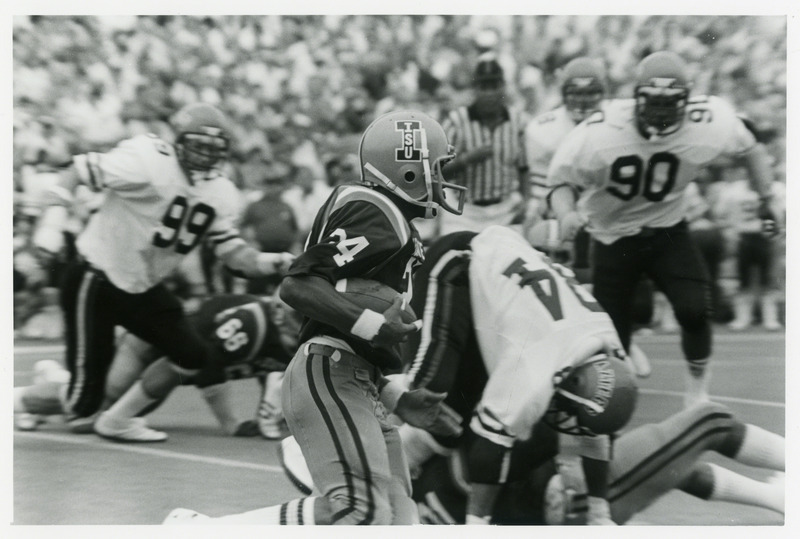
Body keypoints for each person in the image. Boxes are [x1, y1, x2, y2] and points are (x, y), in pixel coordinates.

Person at [164, 110, 468, 526]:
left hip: (357, 379)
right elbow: (298, 285)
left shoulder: (388, 219)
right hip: (331, 373)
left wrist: (400, 399)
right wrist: (374, 326)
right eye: (435, 166)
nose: (441, 176)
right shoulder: (378, 212)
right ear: (408, 168)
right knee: (361, 512)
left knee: (398, 520)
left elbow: (344, 312)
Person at [278, 225, 639, 525]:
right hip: (459, 266)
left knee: (458, 414)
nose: (571, 423)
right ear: (570, 380)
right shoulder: (540, 366)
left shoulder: (605, 349)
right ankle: (334, 433)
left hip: (498, 297)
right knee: (431, 390)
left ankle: (397, 462)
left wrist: (599, 514)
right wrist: (476, 525)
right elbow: (490, 450)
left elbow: (595, 429)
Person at [32, 102, 295, 441]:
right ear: (179, 141)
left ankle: (117, 421)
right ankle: (27, 397)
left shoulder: (220, 191)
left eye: (214, 149)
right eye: (199, 145)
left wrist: (270, 262)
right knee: (81, 404)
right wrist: (51, 226)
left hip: (143, 287)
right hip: (96, 278)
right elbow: (76, 171)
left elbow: (232, 252)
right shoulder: (148, 160)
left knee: (193, 354)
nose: (205, 156)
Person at [547, 51, 777, 408]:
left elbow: (751, 147)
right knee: (612, 340)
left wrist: (766, 198)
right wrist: (565, 215)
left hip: (668, 228)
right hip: (613, 237)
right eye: (653, 101)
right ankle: (610, 417)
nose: (661, 111)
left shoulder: (710, 120)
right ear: (636, 97)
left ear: (687, 101)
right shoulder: (599, 131)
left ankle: (697, 394)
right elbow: (559, 182)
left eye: (671, 103)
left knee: (695, 309)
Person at [411, 401, 784, 524]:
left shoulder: (406, 489)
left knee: (669, 466)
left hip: (550, 498)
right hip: (570, 508)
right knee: (709, 423)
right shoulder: (434, 459)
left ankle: (779, 500)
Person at [14, 291, 301, 439]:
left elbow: (268, 367)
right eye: (298, 319)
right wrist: (230, 423)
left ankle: (50, 375)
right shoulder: (254, 322)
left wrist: (267, 410)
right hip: (148, 348)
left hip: (170, 366)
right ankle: (19, 400)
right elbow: (209, 368)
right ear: (280, 313)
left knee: (93, 417)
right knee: (95, 404)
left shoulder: (283, 334)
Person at [437, 56, 528, 236]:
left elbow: (524, 168)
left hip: (505, 209)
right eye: (483, 87)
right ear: (475, 89)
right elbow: (437, 173)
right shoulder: (457, 121)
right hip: (465, 211)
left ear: (503, 87)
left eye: (494, 87)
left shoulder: (517, 121)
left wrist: (526, 200)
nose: (489, 93)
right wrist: (466, 160)